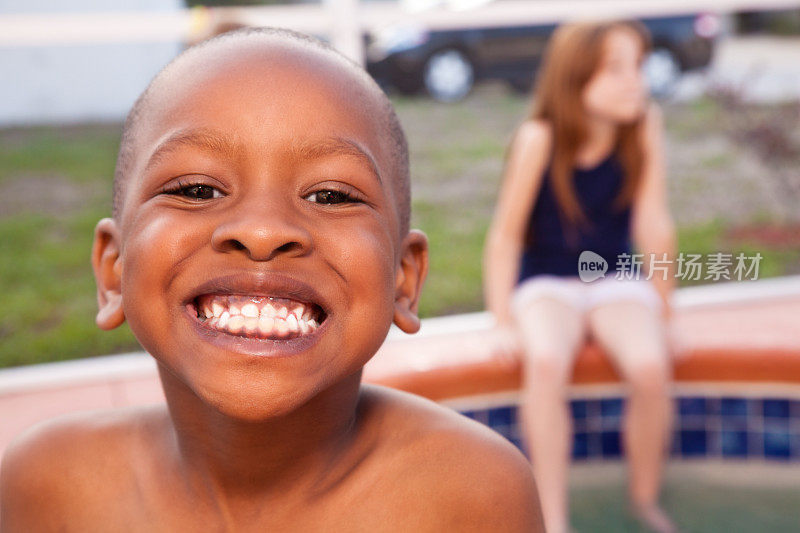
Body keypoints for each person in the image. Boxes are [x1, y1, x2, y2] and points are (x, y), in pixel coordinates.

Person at [0, 28, 544, 532]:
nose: (262, 231)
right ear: (113, 270)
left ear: (403, 280)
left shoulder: (473, 495)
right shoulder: (51, 488)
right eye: (196, 189)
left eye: (331, 195)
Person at [483, 20, 679, 533]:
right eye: (615, 69)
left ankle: (644, 501)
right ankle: (552, 516)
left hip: (615, 277)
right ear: (575, 78)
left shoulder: (643, 126)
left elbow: (654, 222)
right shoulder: (539, 138)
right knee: (546, 361)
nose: (634, 80)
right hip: (546, 282)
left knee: (651, 367)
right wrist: (502, 319)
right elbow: (504, 237)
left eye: (637, 65)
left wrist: (666, 307)